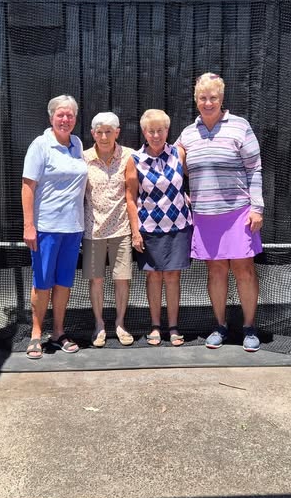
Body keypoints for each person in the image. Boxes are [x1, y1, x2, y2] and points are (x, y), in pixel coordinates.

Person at [178, 72, 264, 352]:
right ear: (196, 100)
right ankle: (220, 327)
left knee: (244, 270)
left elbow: (254, 169)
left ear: (221, 98)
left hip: (239, 212)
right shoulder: (188, 134)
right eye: (202, 98)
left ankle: (250, 328)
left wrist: (257, 208)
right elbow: (175, 167)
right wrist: (183, 192)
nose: (208, 102)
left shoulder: (240, 127)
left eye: (213, 97)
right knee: (215, 271)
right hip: (204, 215)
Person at [21, 95, 88, 359]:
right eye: (61, 114)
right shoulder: (40, 145)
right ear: (51, 117)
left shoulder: (77, 144)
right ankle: (36, 335)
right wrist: (29, 225)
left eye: (70, 115)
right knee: (42, 282)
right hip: (46, 227)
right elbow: (28, 186)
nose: (65, 119)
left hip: (73, 229)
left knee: (63, 283)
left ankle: (58, 332)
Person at [131, 109, 192, 347]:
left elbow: (194, 177)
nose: (155, 135)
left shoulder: (179, 153)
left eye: (160, 130)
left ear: (168, 131)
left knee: (173, 277)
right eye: (150, 131)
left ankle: (173, 327)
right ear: (144, 132)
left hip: (178, 224)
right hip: (149, 226)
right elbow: (130, 196)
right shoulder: (135, 159)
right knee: (154, 277)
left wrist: (189, 196)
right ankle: (155, 327)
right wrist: (135, 230)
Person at [82, 112, 142, 347]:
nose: (104, 136)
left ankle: (120, 323)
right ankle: (99, 324)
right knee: (96, 280)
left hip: (122, 230)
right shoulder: (83, 158)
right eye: (99, 132)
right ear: (92, 134)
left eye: (109, 131)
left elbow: (146, 186)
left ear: (117, 132)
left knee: (122, 279)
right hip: (92, 230)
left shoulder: (130, 156)